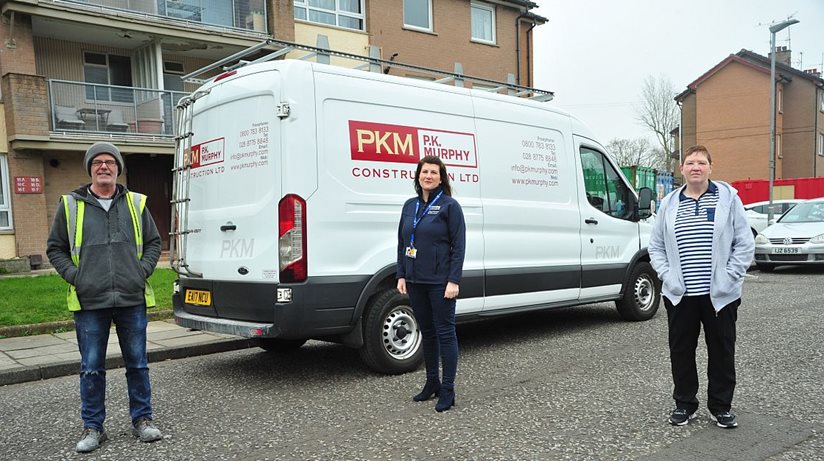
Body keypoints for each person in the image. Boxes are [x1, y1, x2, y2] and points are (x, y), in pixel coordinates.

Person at [46, 142, 164, 452]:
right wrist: (77, 277)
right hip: (90, 301)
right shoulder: (71, 205)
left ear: (117, 169)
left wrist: (141, 272)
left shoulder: (136, 204)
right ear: (89, 169)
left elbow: (154, 243)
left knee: (137, 363)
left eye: (110, 162)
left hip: (131, 297)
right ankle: (93, 428)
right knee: (92, 366)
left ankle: (143, 420)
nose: (103, 167)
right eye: (97, 162)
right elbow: (55, 248)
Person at [648, 145, 754, 429]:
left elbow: (744, 243)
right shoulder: (669, 203)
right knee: (681, 350)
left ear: (710, 167)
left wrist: (731, 275)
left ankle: (721, 407)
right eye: (690, 162)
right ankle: (685, 404)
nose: (696, 167)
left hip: (719, 295)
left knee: (721, 350)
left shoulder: (727, 199)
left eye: (701, 162)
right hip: (680, 294)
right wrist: (667, 275)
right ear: (681, 169)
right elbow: (656, 245)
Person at [396, 155, 466, 412]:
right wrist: (402, 274)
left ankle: (448, 390)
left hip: (440, 282)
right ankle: (431, 383)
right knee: (428, 332)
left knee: (446, 333)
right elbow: (402, 243)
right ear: (418, 176)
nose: (428, 176)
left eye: (434, 172)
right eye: (425, 172)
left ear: (441, 177)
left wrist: (453, 280)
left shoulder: (450, 206)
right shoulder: (409, 206)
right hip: (415, 280)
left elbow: (458, 246)